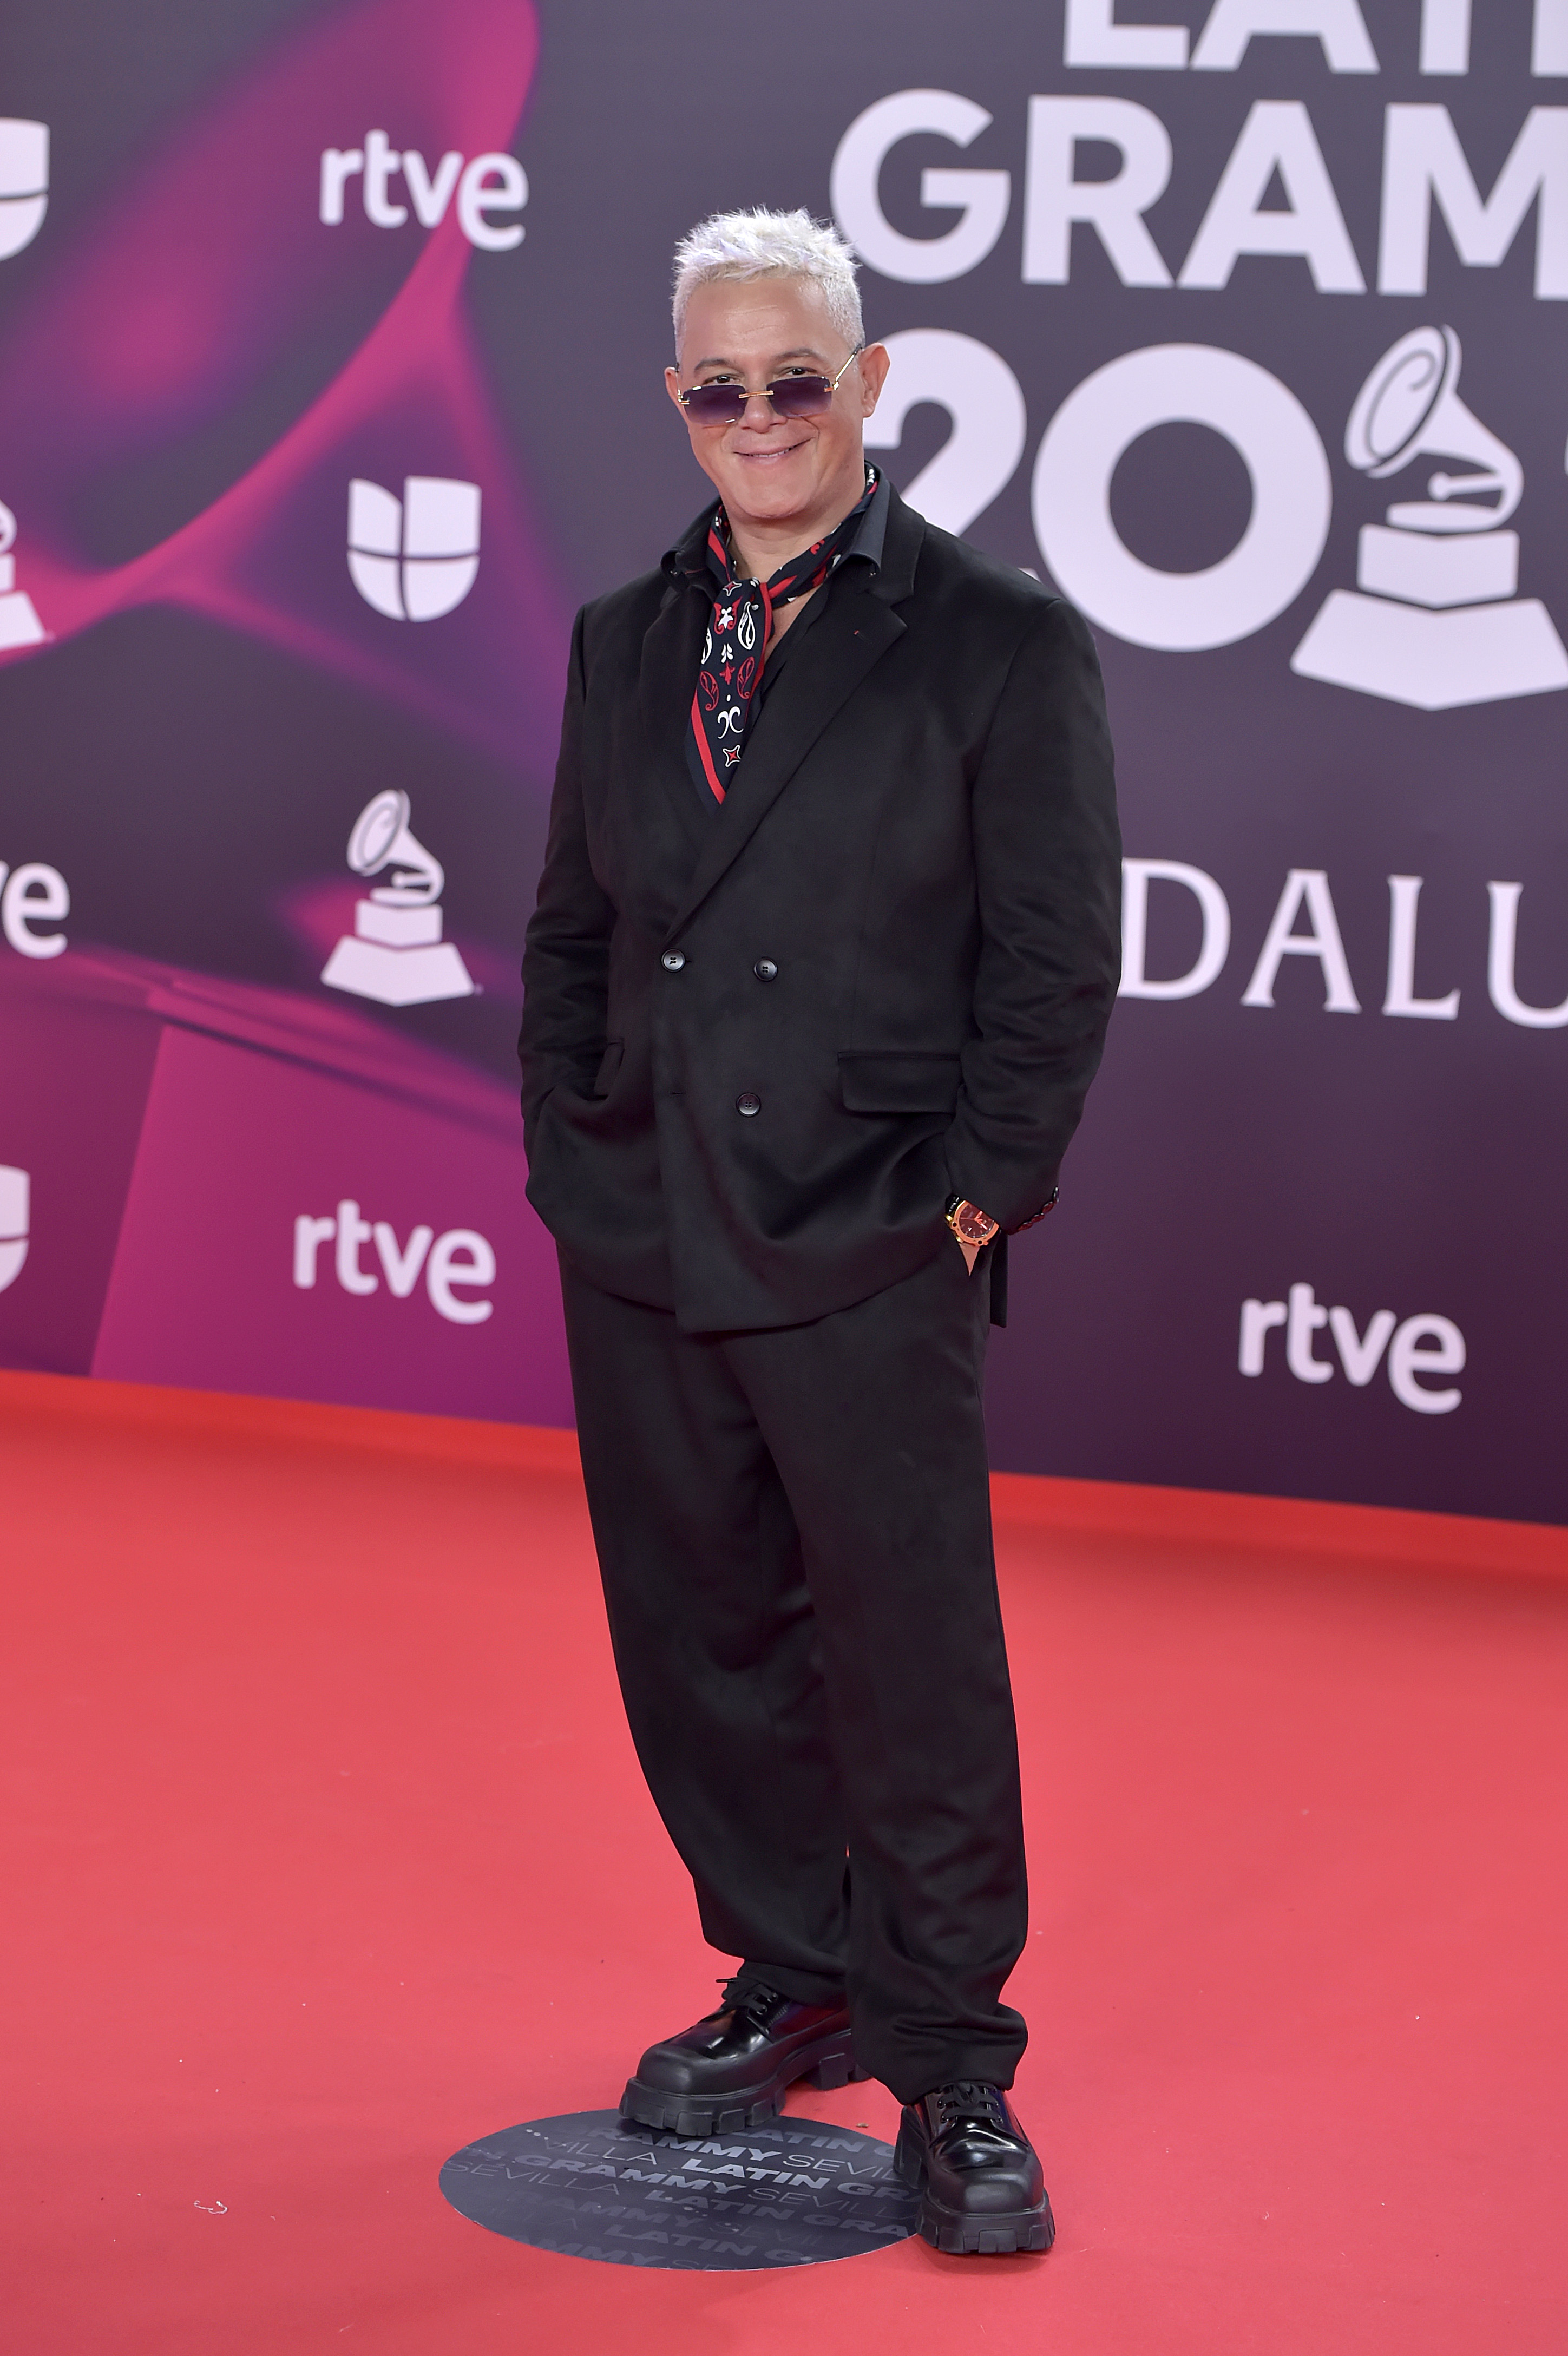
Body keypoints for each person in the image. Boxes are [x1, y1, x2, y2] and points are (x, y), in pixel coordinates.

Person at [519, 209, 1120, 2257]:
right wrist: (569, 1155)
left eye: (797, 377)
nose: (759, 415)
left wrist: (969, 1199)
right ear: (679, 402)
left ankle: (954, 2066)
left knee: (910, 1657)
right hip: (644, 1223)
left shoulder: (996, 641)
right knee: (701, 1639)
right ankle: (799, 1970)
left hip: (870, 1231)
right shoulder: (620, 636)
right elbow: (571, 931)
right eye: (720, 383)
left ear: (866, 386)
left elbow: (1054, 968)